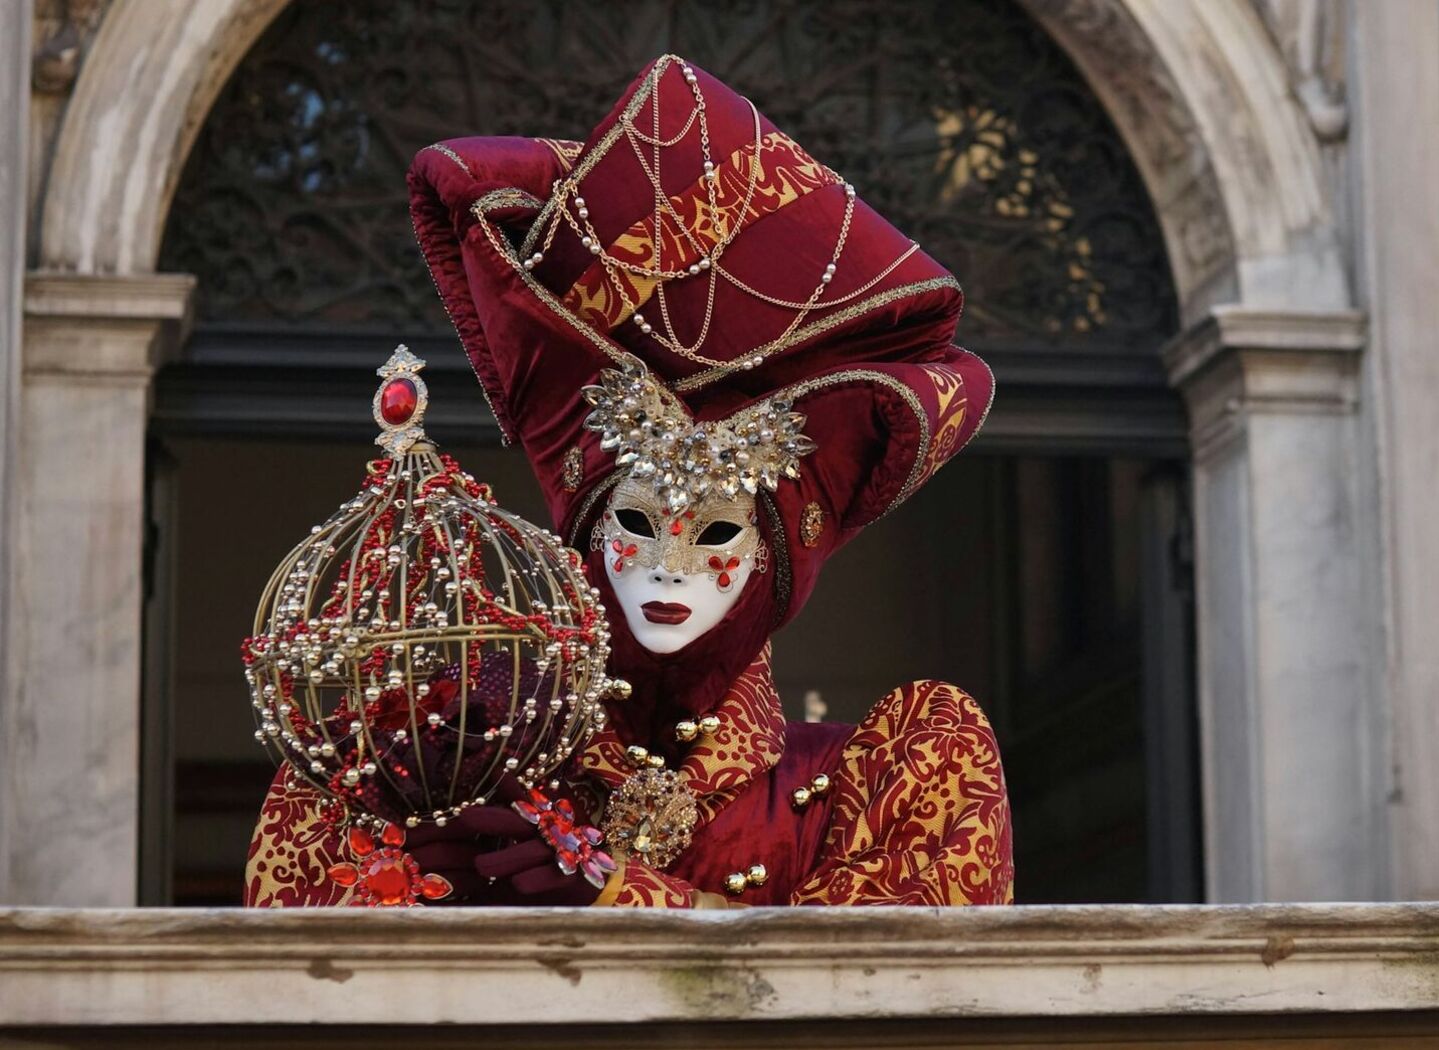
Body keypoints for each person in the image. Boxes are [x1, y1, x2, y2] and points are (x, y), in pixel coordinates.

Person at [246, 53, 1012, 908]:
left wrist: (626, 896)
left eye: (718, 529)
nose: (670, 567)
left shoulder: (884, 771)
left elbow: (899, 991)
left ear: (781, 560)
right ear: (583, 538)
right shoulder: (449, 755)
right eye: (638, 523)